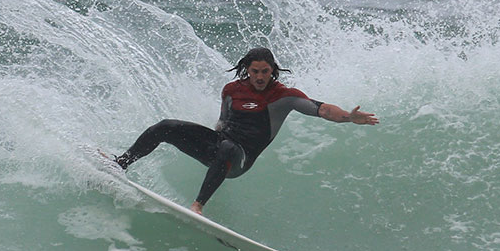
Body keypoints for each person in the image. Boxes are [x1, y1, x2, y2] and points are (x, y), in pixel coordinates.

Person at [113, 47, 379, 215]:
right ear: (247, 70)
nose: (261, 76)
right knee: (166, 126)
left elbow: (320, 109)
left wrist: (347, 117)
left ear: (272, 70)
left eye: (265, 71)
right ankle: (120, 164)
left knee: (228, 147)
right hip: (219, 147)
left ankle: (198, 206)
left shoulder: (283, 96)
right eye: (255, 71)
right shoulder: (231, 90)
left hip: (240, 160)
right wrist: (205, 139)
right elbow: (222, 123)